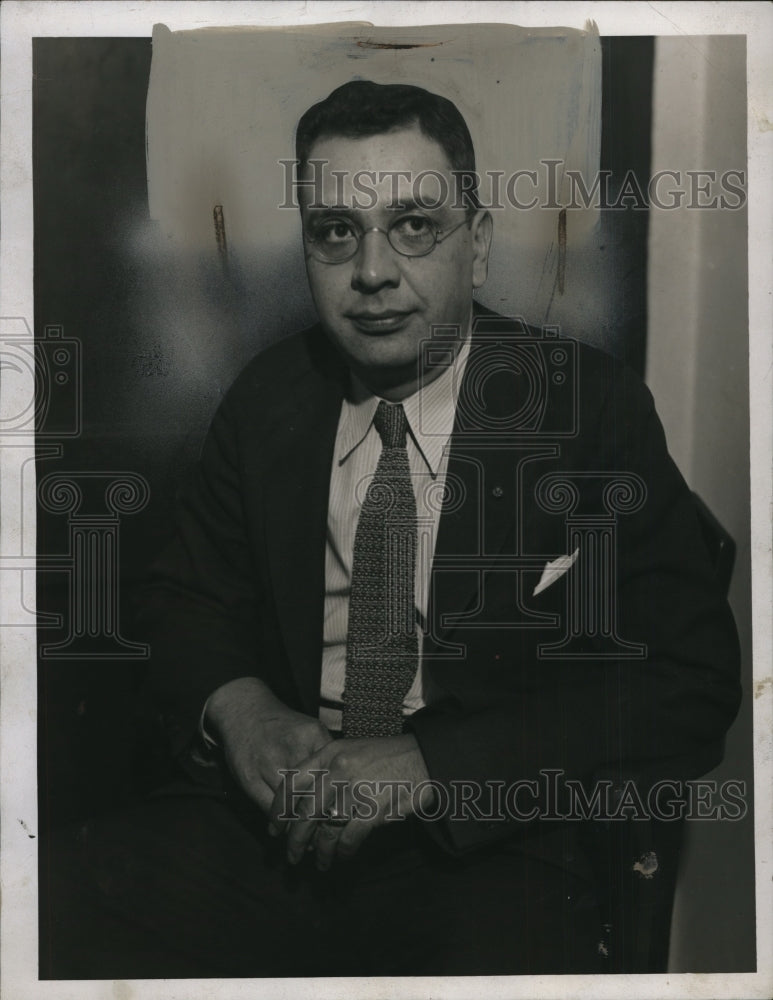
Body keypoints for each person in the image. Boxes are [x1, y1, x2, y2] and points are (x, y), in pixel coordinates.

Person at [40, 80, 741, 979]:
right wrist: (242, 709)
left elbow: (684, 681)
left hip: (491, 840)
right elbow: (184, 599)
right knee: (44, 896)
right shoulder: (267, 401)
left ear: (478, 245)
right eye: (336, 232)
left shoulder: (583, 409)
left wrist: (428, 765)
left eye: (414, 226)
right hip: (274, 820)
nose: (371, 273)